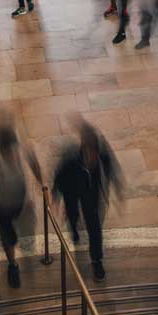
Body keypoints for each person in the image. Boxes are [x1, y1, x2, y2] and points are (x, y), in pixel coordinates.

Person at [52, 120, 121, 281]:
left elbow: (111, 167)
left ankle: (97, 260)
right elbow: (59, 176)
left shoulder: (101, 154)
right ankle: (74, 227)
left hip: (91, 195)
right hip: (72, 191)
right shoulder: (71, 159)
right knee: (72, 213)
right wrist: (55, 195)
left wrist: (115, 187)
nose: (93, 158)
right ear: (83, 149)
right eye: (90, 154)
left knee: (94, 228)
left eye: (95, 154)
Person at [0, 115, 41, 287]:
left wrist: (41, 183)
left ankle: (23, 254)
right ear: (0, 147)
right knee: (7, 239)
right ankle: (13, 265)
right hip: (2, 206)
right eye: (6, 150)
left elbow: (34, 164)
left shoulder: (21, 150)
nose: (10, 153)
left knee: (25, 234)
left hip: (21, 202)